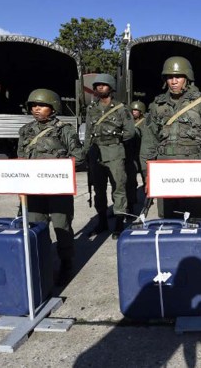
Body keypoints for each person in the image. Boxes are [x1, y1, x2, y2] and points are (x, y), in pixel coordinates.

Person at [140, 56, 201, 219]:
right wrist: (146, 172)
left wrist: (200, 157)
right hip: (165, 169)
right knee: (168, 219)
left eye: (178, 76)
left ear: (187, 78)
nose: (174, 81)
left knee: (196, 216)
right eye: (170, 77)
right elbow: (149, 140)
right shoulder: (157, 106)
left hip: (193, 167)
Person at [17, 88, 84, 285]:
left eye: (41, 105)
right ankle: (42, 262)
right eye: (33, 106)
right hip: (34, 190)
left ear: (53, 107)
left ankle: (66, 263)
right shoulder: (26, 131)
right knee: (36, 226)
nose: (36, 109)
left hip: (58, 189)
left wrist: (57, 165)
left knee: (61, 226)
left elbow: (78, 157)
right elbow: (21, 157)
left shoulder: (65, 130)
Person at [83, 74, 135, 239]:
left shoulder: (121, 108)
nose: (99, 87)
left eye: (103, 85)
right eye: (97, 85)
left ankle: (119, 223)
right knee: (99, 190)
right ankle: (102, 221)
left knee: (118, 188)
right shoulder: (92, 109)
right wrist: (86, 152)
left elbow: (130, 131)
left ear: (111, 88)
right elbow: (89, 132)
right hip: (96, 152)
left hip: (114, 152)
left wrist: (115, 141)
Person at [125, 100, 148, 216]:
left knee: (146, 179)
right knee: (130, 181)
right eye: (133, 110)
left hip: (142, 153)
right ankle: (131, 203)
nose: (134, 112)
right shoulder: (128, 122)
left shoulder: (145, 123)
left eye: (136, 110)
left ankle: (147, 200)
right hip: (131, 154)